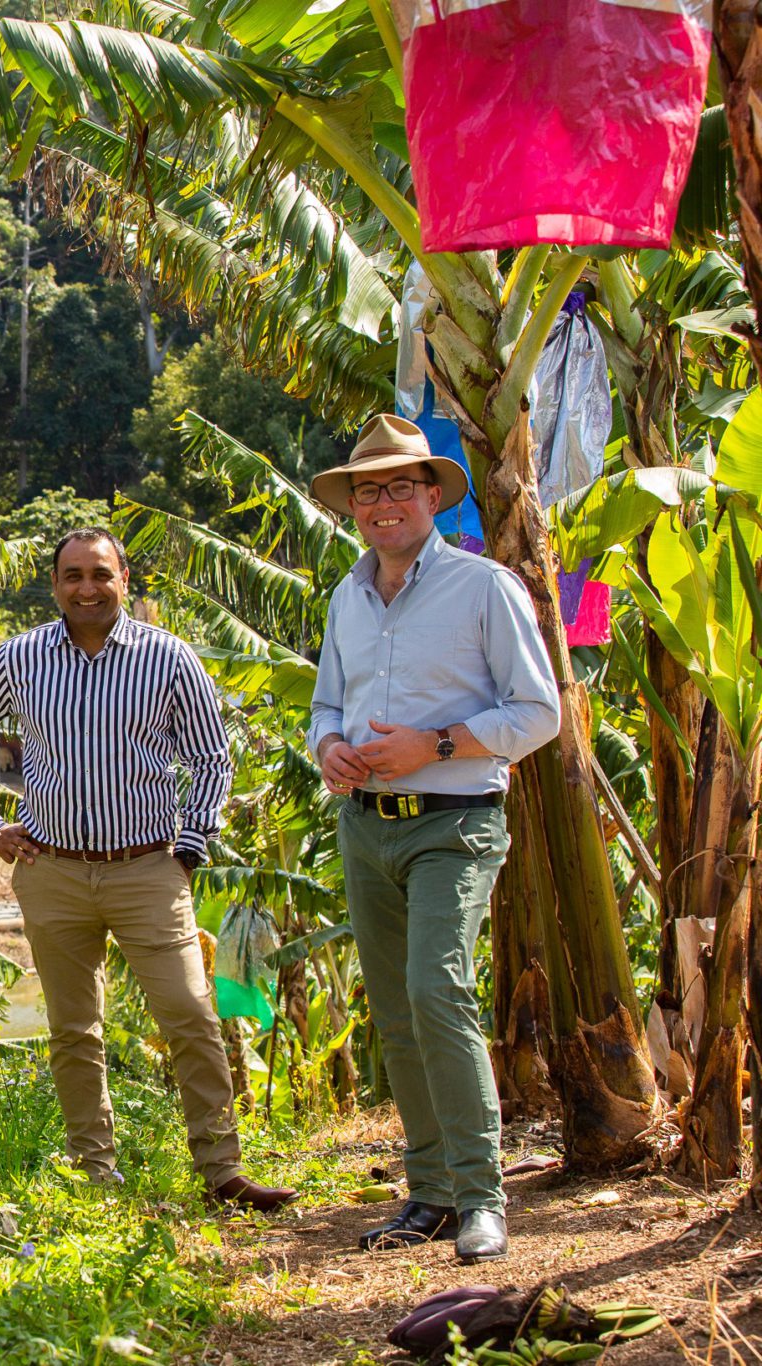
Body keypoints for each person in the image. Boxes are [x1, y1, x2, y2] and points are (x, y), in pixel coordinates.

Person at [0, 526, 296, 1213]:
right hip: (53, 869)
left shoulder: (168, 659)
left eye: (100, 574)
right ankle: (94, 1174)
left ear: (125, 579)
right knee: (75, 1029)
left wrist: (192, 842)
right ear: (55, 586)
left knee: (190, 1015)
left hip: (147, 869)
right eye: (72, 575)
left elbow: (213, 759)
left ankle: (221, 1171)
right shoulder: (20, 657)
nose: (86, 588)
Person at [309, 415, 561, 1264]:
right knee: (395, 1012)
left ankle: (482, 1194)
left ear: (431, 496)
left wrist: (435, 744)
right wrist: (331, 750)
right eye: (368, 489)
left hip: (454, 823)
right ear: (352, 505)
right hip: (365, 826)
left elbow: (538, 714)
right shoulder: (347, 595)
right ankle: (431, 1194)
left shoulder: (484, 588)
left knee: (437, 992)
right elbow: (325, 708)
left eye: (400, 487)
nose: (384, 503)